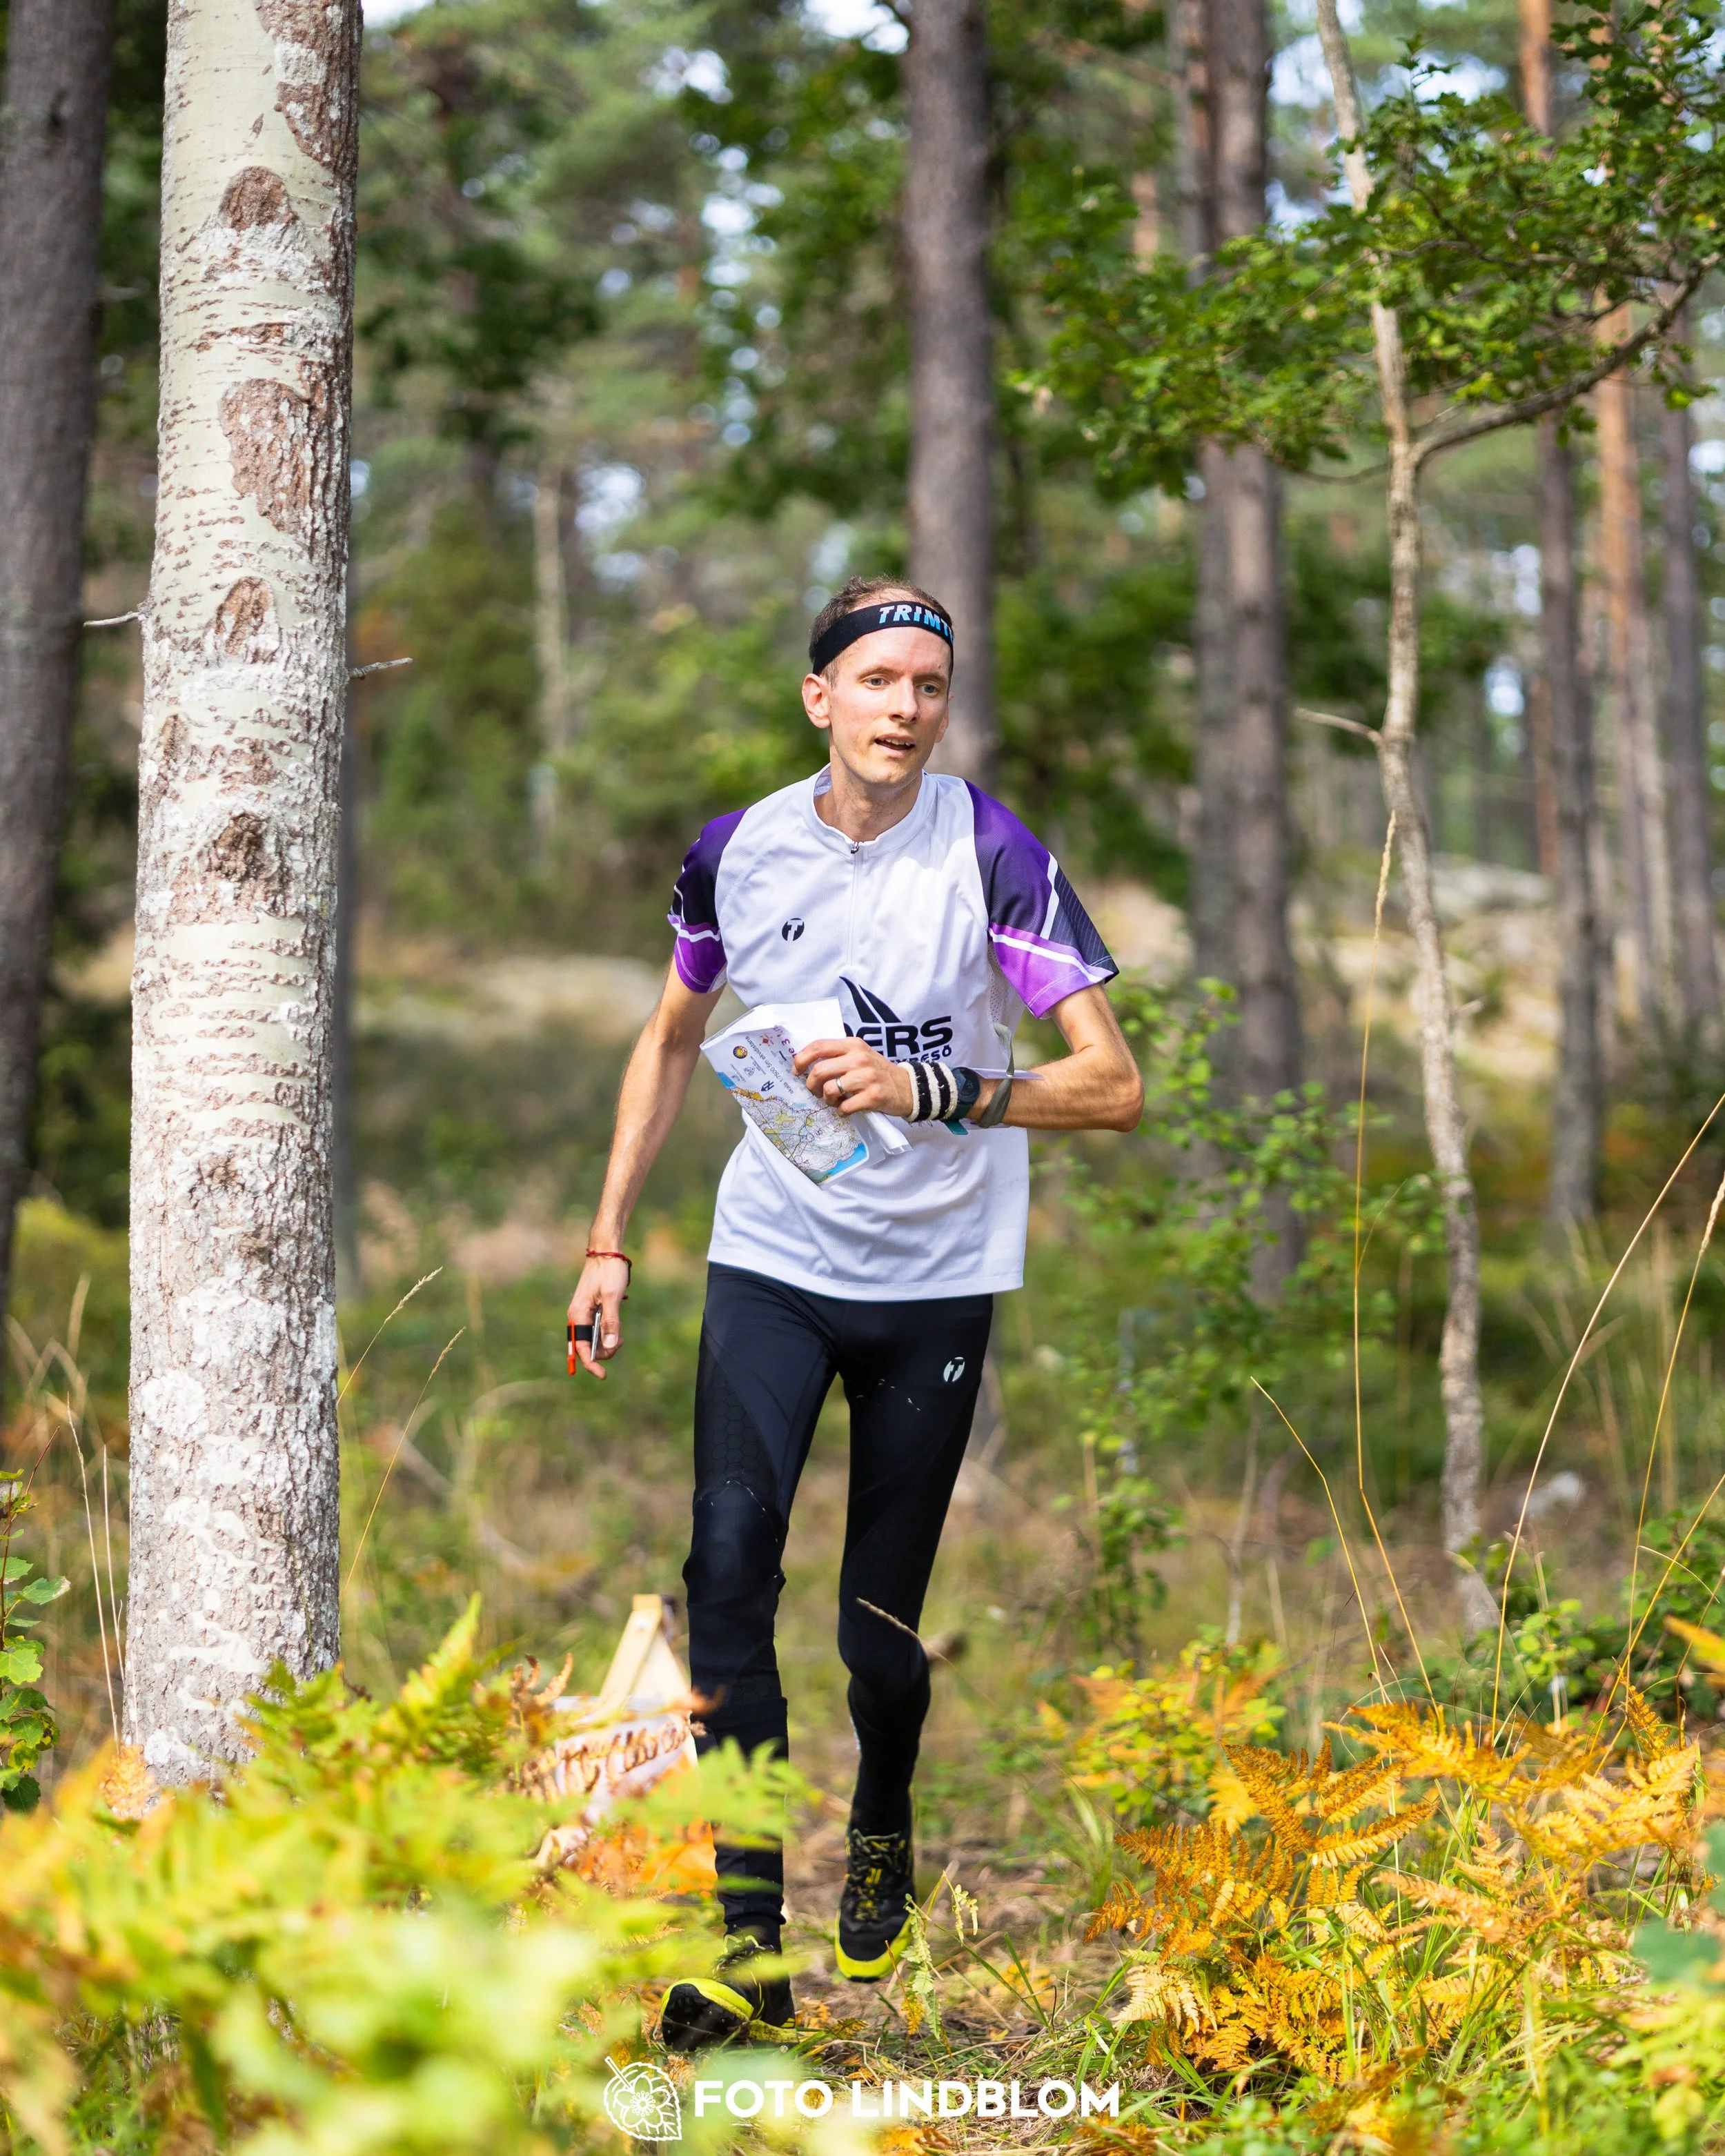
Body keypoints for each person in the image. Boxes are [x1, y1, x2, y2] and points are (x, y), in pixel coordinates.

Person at [566, 575, 1143, 2051]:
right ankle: (741, 1956)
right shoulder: (736, 852)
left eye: (926, 687)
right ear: (820, 695)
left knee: (875, 1642)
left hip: (931, 1281)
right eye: (875, 679)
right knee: (723, 1580)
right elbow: (670, 1032)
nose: (903, 707)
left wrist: (932, 1084)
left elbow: (1111, 1083)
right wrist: (609, 1237)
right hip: (769, 1260)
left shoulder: (991, 852)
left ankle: (883, 1800)